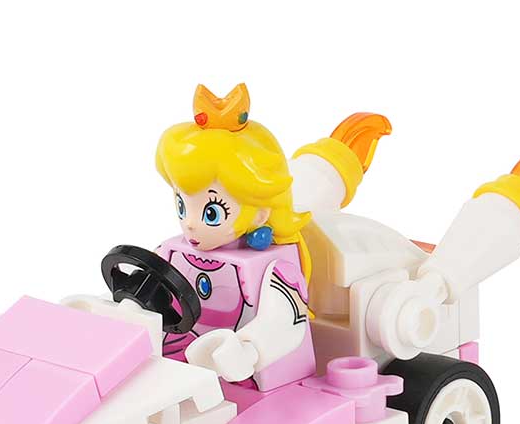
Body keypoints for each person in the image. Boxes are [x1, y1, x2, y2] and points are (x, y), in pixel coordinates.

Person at [155, 83, 388, 390]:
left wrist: (250, 349)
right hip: (182, 377)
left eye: (211, 212)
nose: (190, 225)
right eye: (182, 205)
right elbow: (149, 293)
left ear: (259, 215)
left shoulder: (274, 268)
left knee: (322, 180)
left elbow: (286, 321)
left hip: (257, 385)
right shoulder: (172, 253)